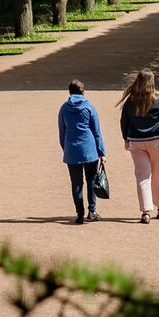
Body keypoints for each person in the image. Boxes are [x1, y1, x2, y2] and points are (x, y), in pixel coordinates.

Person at [117, 69, 159, 224]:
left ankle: (145, 212)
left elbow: (124, 121)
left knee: (142, 177)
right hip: (157, 141)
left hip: (136, 141)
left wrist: (126, 139)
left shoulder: (130, 100)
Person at [58, 80, 106, 224]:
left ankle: (79, 213)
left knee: (76, 183)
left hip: (72, 150)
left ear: (69, 92)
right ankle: (92, 211)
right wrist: (101, 152)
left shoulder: (64, 109)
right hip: (89, 149)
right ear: (83, 92)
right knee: (91, 180)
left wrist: (65, 148)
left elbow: (62, 132)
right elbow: (96, 132)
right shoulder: (90, 108)